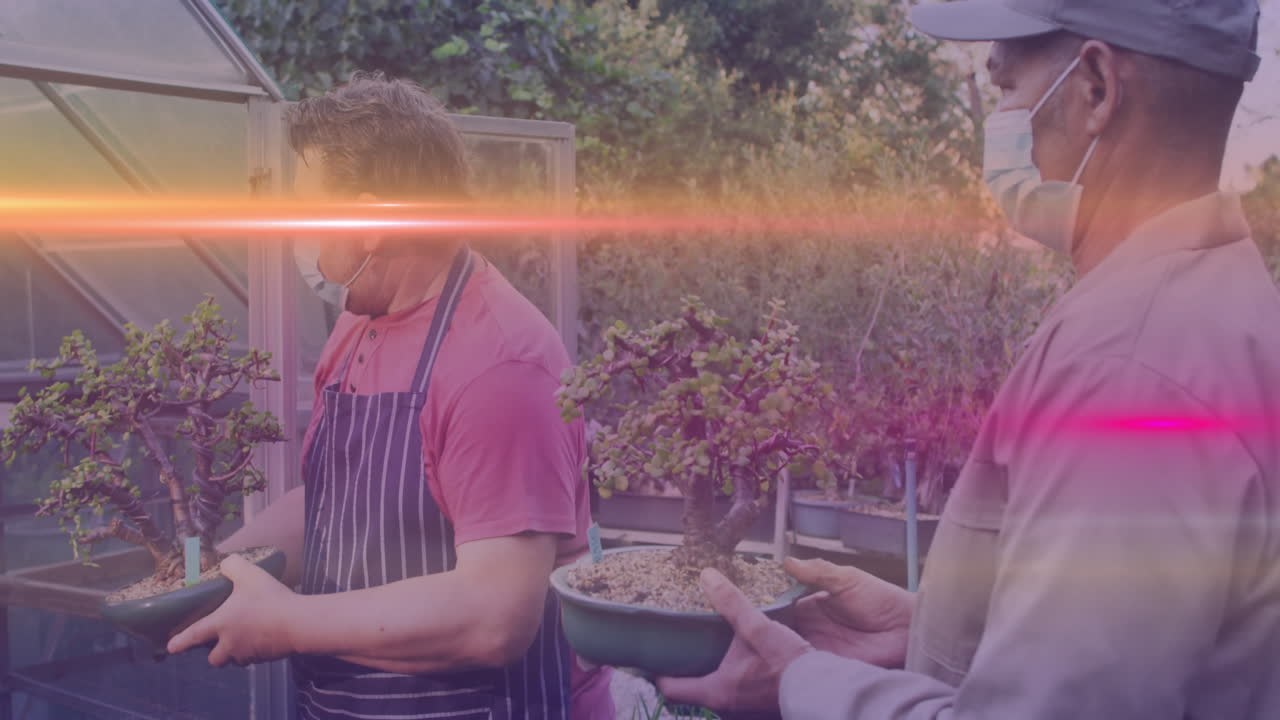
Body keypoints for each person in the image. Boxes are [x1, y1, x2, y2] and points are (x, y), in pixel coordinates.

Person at [660, 0, 1280, 718]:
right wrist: (930, 635)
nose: (1000, 122)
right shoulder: (1218, 302)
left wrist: (802, 683)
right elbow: (1141, 648)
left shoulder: (1131, 367)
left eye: (1007, 87)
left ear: (1096, 90)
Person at [167, 73, 614, 720]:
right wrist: (213, 575)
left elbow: (496, 616)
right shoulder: (359, 326)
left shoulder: (500, 367)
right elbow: (335, 503)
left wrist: (287, 622)